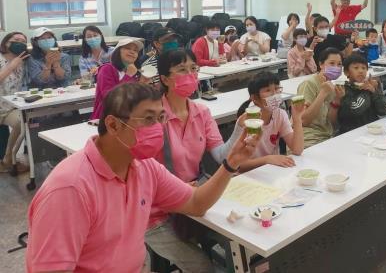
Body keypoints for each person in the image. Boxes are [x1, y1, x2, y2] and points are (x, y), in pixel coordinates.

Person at [26, 82, 257, 273]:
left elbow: (196, 204)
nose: (158, 128)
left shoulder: (144, 167)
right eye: (148, 119)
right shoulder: (70, 188)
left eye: (160, 118)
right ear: (114, 125)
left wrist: (230, 164)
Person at [146, 49, 246, 271]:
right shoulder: (152, 116)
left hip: (194, 196)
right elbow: (139, 171)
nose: (190, 75)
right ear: (164, 78)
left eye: (193, 69)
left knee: (240, 234)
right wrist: (175, 189)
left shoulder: (201, 112)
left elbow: (221, 155)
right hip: (155, 212)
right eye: (181, 70)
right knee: (201, 265)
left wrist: (239, 127)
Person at [236, 72, 304, 171]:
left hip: (271, 169)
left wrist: (297, 118)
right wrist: (266, 160)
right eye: (268, 90)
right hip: (249, 174)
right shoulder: (247, 121)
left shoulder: (280, 114)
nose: (275, 94)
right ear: (254, 98)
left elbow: (297, 150)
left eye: (277, 89)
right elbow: (239, 166)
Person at [298, 47, 345, 148]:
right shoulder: (309, 84)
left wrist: (336, 101)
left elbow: (332, 123)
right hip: (307, 137)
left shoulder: (334, 87)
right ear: (321, 64)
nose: (336, 67)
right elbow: (304, 121)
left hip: (326, 136)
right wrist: (323, 93)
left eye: (339, 64)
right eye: (332, 63)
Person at [92, 37, 144, 120]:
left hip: (129, 118)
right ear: (118, 51)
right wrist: (128, 76)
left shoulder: (136, 73)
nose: (132, 52)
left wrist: (144, 84)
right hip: (107, 118)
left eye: (135, 50)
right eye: (128, 48)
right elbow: (110, 98)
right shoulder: (107, 69)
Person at [337, 53, 386, 134]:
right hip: (351, 132)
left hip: (372, 130)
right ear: (346, 72)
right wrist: (366, 91)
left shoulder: (371, 87)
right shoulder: (344, 89)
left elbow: (384, 110)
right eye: (356, 68)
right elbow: (356, 109)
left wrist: (375, 92)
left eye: (364, 68)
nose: (361, 71)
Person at [0, 32, 29, 174]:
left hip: (10, 107)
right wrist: (11, 66)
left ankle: (8, 159)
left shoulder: (22, 61)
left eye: (23, 41)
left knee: (22, 121)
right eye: (16, 40)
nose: (20, 43)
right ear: (6, 43)